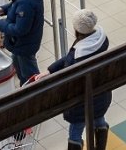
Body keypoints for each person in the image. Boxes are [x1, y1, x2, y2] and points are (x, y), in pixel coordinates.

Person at [42, 11, 113, 150]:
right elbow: (70, 56)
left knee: (75, 133)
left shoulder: (77, 57)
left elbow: (69, 62)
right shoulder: (101, 41)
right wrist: (50, 69)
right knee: (99, 119)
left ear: (77, 30)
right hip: (102, 97)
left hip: (81, 105)